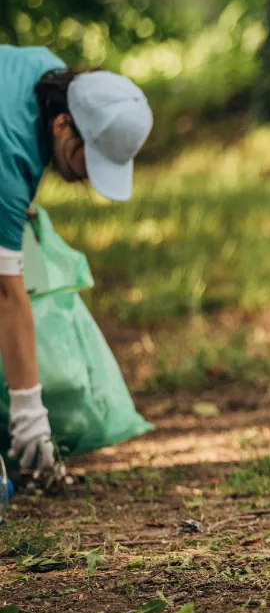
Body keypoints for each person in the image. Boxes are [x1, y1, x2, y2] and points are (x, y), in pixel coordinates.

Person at [0, 48, 152, 483]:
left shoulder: (46, 72)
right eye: (89, 158)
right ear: (64, 124)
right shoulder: (8, 159)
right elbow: (7, 295)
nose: (87, 175)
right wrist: (29, 410)